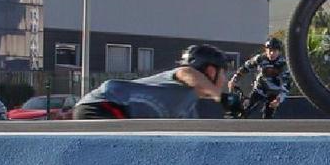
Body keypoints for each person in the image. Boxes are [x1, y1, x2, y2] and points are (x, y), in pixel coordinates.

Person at [72, 44, 232, 119]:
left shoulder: (190, 107)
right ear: (211, 71)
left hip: (109, 110)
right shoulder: (184, 78)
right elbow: (186, 72)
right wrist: (219, 96)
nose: (225, 80)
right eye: (223, 74)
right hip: (106, 105)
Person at [228, 37, 292, 118]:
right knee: (245, 111)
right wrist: (234, 79)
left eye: (274, 51)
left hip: (274, 92)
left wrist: (279, 99)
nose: (271, 54)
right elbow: (246, 67)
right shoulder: (260, 58)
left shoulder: (283, 64)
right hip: (260, 89)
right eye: (270, 50)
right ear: (266, 50)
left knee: (268, 116)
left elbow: (287, 84)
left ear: (279, 52)